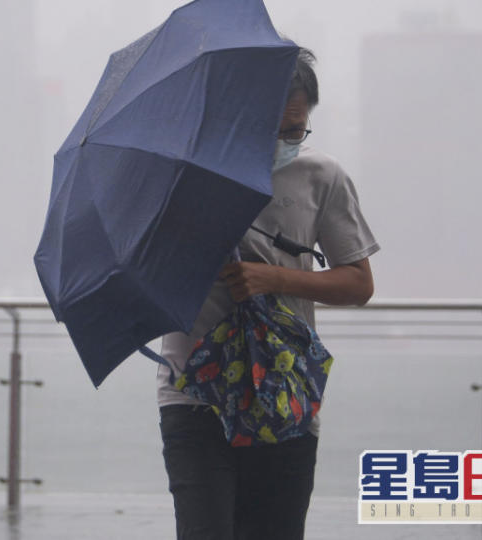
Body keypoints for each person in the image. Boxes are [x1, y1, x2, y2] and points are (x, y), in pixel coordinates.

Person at [156, 48, 379, 539]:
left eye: (295, 130)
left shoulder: (322, 177)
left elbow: (358, 282)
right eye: (270, 128)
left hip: (283, 393)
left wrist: (275, 279)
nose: (283, 141)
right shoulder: (183, 175)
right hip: (193, 392)